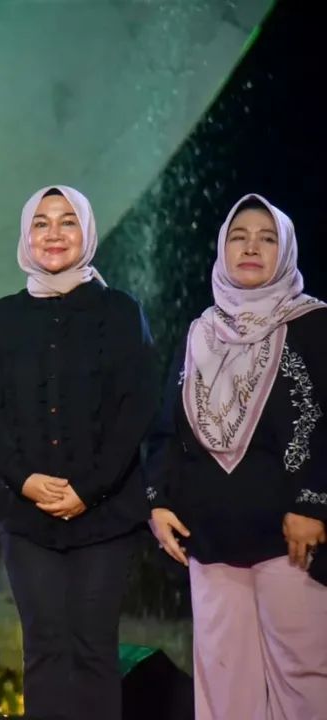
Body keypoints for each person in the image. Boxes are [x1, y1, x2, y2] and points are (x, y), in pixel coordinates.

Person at [0, 185, 156, 720]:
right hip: (24, 514)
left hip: (106, 514)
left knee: (94, 651)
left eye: (68, 221)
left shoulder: (121, 311)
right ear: (27, 236)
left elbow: (137, 408)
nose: (54, 234)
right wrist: (24, 480)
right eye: (42, 223)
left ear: (87, 233)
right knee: (45, 650)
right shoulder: (3, 316)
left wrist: (87, 488)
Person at [147, 194, 327, 719]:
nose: (251, 247)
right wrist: (158, 502)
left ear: (286, 251)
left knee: (304, 680)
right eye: (238, 236)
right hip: (210, 539)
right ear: (222, 248)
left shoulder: (314, 326)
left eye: (267, 238)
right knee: (226, 685)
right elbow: (166, 428)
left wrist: (314, 505)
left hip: (290, 539)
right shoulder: (201, 332)